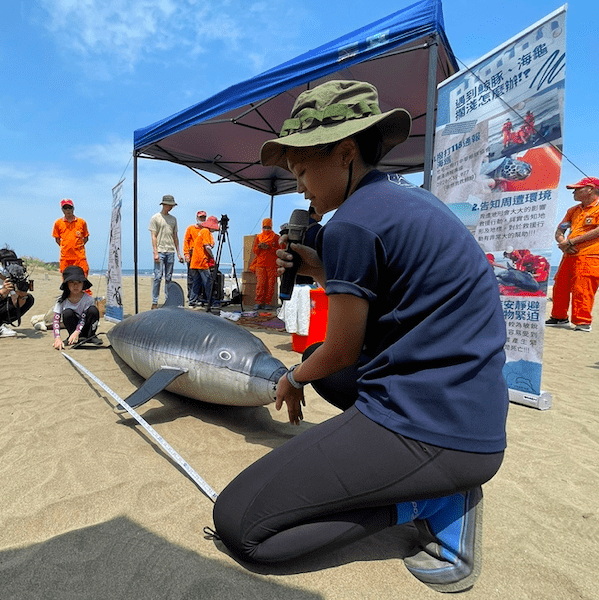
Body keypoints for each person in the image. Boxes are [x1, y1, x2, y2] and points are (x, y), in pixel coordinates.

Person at [210, 81, 508, 593]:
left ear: (346, 152)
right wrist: (324, 272)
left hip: (436, 426)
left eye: (303, 169)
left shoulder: (352, 223)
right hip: (471, 407)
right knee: (337, 379)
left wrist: (291, 378)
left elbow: (341, 348)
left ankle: (429, 501)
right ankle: (412, 474)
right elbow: (393, 307)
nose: (301, 186)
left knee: (241, 524)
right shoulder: (404, 202)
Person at [546, 177, 599, 332]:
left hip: (591, 255)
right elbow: (560, 230)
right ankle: (559, 317)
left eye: (577, 188)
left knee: (583, 288)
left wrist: (570, 242)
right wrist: (563, 243)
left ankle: (582, 322)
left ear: (591, 189)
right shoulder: (573, 210)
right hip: (569, 255)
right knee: (560, 286)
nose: (574, 192)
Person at [51, 265, 101, 349]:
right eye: (71, 282)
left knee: (93, 310)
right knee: (67, 312)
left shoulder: (88, 299)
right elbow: (56, 320)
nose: (75, 285)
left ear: (83, 284)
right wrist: (57, 338)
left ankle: (91, 336)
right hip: (73, 329)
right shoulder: (61, 301)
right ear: (67, 284)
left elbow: (83, 318)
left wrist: (77, 332)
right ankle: (72, 337)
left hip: (85, 327)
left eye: (79, 282)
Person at [148, 194, 183, 309]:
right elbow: (153, 235)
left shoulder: (173, 219)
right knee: (158, 277)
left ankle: (168, 300)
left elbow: (175, 236)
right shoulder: (155, 218)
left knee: (168, 278)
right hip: (160, 250)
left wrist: (178, 253)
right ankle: (155, 301)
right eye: (170, 205)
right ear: (164, 205)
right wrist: (155, 252)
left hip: (170, 251)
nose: (171, 207)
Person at [52, 198, 90, 278]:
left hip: (79, 257)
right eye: (65, 208)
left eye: (70, 208)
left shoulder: (81, 222)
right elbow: (57, 239)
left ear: (73, 208)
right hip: (65, 257)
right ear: (62, 210)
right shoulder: (58, 223)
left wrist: (77, 246)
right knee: (67, 279)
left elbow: (86, 238)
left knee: (83, 277)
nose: (68, 210)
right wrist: (65, 247)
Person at [250, 217, 282, 309]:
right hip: (260, 264)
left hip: (272, 264)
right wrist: (260, 247)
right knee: (260, 284)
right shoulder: (258, 237)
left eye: (268, 227)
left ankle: (268, 303)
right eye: (265, 227)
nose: (266, 229)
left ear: (271, 227)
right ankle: (259, 302)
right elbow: (255, 251)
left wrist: (269, 248)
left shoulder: (276, 237)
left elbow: (280, 250)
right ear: (262, 227)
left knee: (270, 285)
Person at [189, 215, 218, 306]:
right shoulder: (206, 231)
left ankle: (192, 301)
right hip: (202, 261)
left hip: (195, 261)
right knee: (208, 282)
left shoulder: (201, 231)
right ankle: (211, 301)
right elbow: (207, 246)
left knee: (196, 283)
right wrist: (212, 256)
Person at [183, 211, 206, 305]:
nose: (202, 219)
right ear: (197, 218)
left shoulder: (205, 229)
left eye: (204, 217)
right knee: (192, 278)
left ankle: (199, 297)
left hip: (202, 257)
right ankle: (191, 297)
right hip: (192, 256)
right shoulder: (191, 228)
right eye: (201, 217)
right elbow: (186, 242)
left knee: (202, 278)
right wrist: (186, 254)